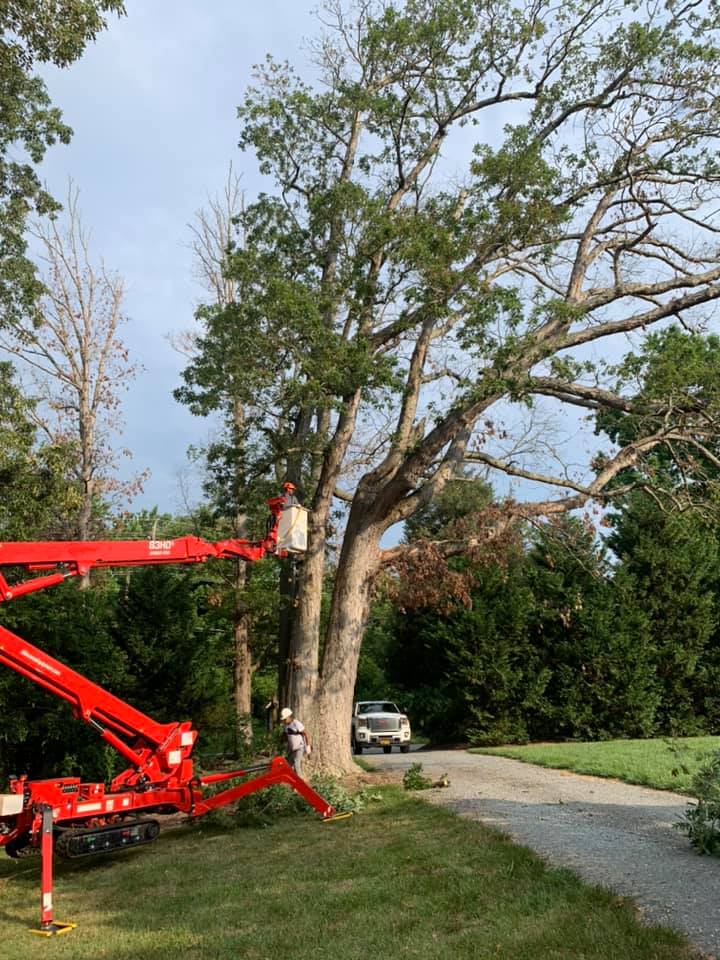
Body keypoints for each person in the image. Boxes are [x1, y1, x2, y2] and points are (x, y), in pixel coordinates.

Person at [280, 707, 311, 777]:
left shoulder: (296, 723)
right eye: (283, 720)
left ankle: (300, 782)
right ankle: (289, 780)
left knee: (297, 763)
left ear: (290, 717)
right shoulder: (286, 726)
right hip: (292, 749)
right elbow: (284, 734)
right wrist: (281, 740)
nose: (284, 721)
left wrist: (308, 749)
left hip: (300, 747)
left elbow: (306, 734)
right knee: (288, 763)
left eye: (285, 719)